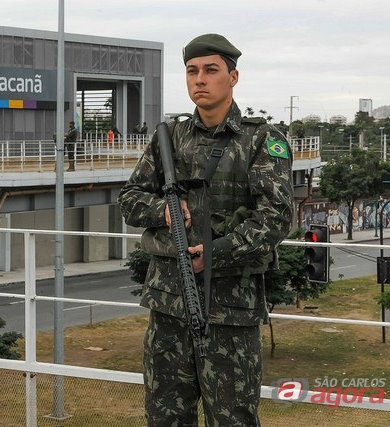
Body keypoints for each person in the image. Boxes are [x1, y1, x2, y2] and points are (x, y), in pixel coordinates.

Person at [117, 33, 294, 426]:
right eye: (192, 71)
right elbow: (129, 199)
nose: (199, 79)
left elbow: (277, 216)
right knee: (165, 416)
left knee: (232, 418)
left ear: (233, 77)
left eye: (211, 70)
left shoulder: (261, 140)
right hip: (168, 306)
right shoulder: (170, 138)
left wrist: (216, 252)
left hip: (230, 310)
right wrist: (163, 210)